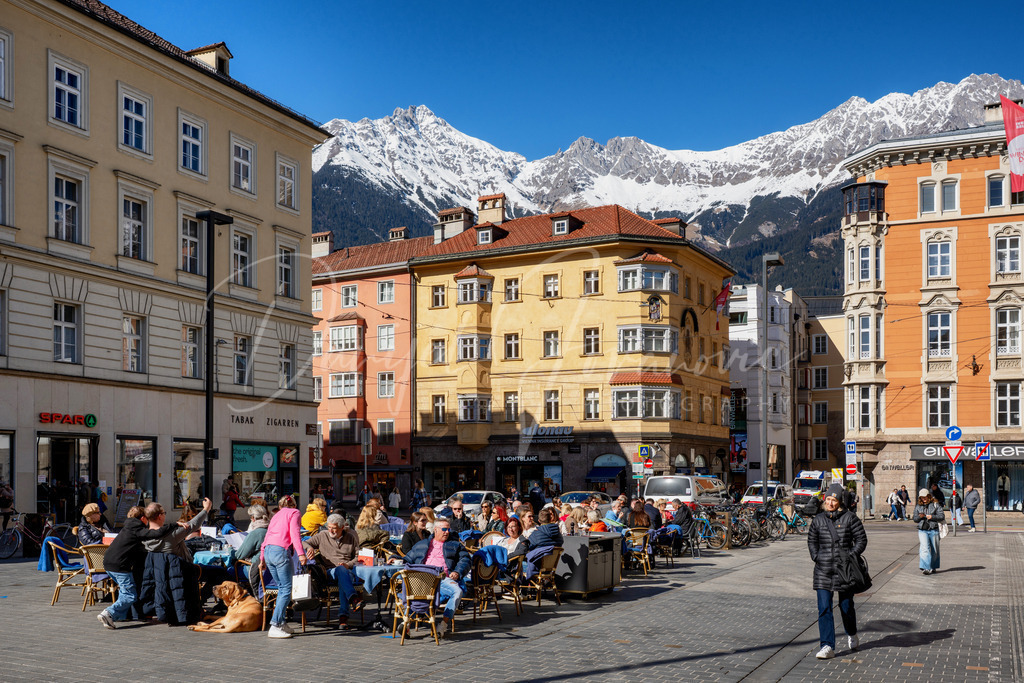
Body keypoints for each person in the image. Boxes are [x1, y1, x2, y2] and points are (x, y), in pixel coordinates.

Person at [807, 483, 867, 660]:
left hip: (845, 571)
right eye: (828, 499)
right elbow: (812, 541)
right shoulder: (818, 520)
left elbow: (861, 540)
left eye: (834, 500)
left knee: (846, 607)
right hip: (823, 570)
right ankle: (827, 646)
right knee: (824, 608)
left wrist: (850, 555)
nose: (830, 503)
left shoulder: (850, 518)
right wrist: (816, 556)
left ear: (840, 502)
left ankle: (852, 632)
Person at [97, 506, 177, 629]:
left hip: (109, 563)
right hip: (120, 566)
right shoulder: (137, 528)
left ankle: (119, 616)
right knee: (130, 595)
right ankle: (109, 613)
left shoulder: (128, 527)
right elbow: (156, 534)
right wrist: (174, 525)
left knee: (124, 592)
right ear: (143, 518)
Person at [403, 517, 470, 636]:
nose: (447, 532)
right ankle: (406, 623)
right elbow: (407, 559)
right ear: (435, 530)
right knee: (409, 589)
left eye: (448, 529)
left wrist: (457, 572)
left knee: (457, 591)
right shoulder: (422, 544)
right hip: (423, 579)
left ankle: (443, 624)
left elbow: (465, 559)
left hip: (443, 578)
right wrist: (394, 558)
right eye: (444, 529)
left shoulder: (455, 545)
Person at [258, 495, 306, 639]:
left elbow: (267, 537)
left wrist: (262, 559)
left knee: (281, 588)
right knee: (286, 588)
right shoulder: (295, 513)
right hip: (281, 551)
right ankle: (276, 624)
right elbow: (295, 534)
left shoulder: (276, 516)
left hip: (268, 551)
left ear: (280, 506)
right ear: (294, 505)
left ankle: (282, 622)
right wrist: (301, 554)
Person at [303, 514, 362, 626]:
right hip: (329, 572)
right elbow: (303, 542)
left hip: (346, 571)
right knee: (340, 571)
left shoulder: (350, 537)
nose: (330, 530)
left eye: (334, 528)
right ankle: (352, 599)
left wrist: (348, 564)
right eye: (329, 527)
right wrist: (309, 547)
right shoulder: (323, 535)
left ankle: (343, 616)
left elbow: (358, 557)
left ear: (342, 527)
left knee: (343, 577)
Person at [914, 488, 944, 575]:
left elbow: (941, 516)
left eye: (925, 497)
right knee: (924, 549)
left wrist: (932, 517)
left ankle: (933, 566)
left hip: (933, 529)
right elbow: (915, 519)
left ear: (929, 496)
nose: (923, 499)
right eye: (922, 497)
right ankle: (926, 567)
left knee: (935, 550)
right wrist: (920, 517)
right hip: (922, 530)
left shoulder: (935, 505)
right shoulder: (918, 506)